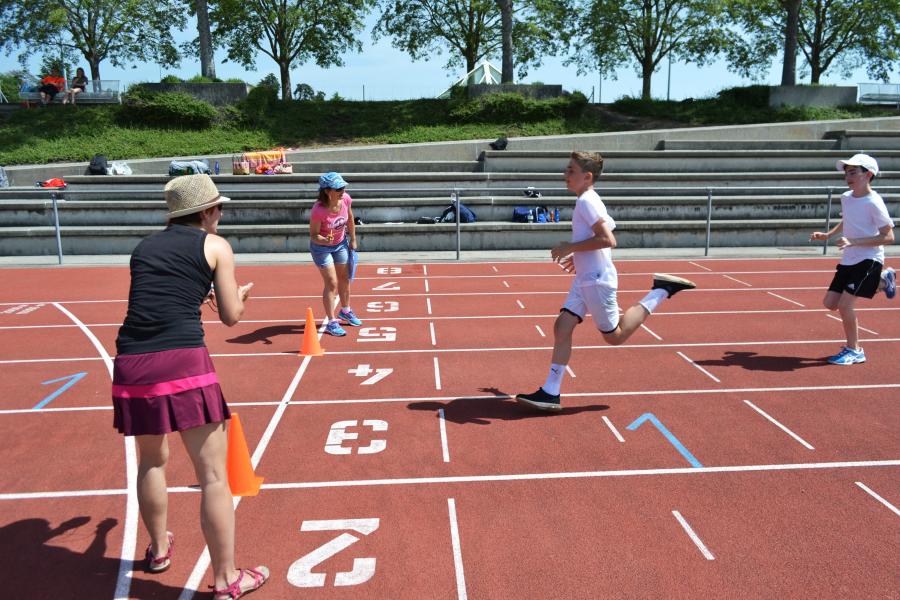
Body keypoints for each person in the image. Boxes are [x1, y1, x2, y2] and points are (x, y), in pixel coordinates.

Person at [112, 174, 269, 599]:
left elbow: (163, 293)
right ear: (206, 212)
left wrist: (202, 292)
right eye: (219, 208)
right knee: (214, 476)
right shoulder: (215, 246)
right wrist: (240, 294)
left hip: (131, 361)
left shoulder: (143, 248)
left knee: (151, 461)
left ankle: (160, 549)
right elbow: (232, 316)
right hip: (182, 358)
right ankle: (226, 579)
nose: (221, 215)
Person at [516, 151, 697, 411]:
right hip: (585, 278)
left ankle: (661, 290)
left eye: (571, 171)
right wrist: (578, 255)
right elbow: (606, 229)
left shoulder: (586, 202)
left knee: (615, 336)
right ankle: (550, 392)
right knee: (562, 326)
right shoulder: (589, 199)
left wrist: (570, 248)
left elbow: (608, 240)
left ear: (587, 176)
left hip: (597, 280)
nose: (565, 175)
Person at [810, 153, 895, 365]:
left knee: (845, 305)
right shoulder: (846, 197)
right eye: (847, 172)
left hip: (869, 258)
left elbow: (889, 236)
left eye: (853, 172)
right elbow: (847, 221)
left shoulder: (874, 202)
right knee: (830, 303)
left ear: (868, 175)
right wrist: (828, 235)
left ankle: (854, 350)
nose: (848, 176)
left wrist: (855, 242)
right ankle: (884, 281)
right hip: (849, 258)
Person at [309, 171, 361, 336]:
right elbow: (314, 235)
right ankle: (332, 321)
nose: (342, 190)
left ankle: (345, 310)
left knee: (344, 278)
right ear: (327, 191)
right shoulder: (318, 210)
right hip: (321, 248)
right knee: (331, 283)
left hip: (340, 244)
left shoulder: (345, 199)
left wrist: (353, 239)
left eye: (343, 187)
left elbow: (351, 219)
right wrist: (325, 240)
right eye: (338, 188)